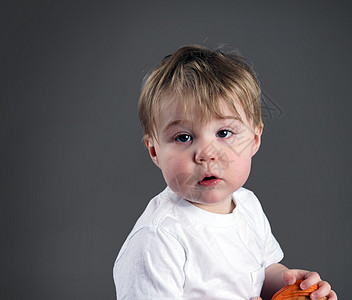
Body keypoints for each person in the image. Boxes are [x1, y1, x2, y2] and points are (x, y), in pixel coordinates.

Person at [113, 45, 337, 300]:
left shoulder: (248, 205)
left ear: (254, 139)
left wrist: (294, 287)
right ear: (154, 151)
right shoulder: (159, 239)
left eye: (223, 133)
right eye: (184, 137)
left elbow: (263, 272)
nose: (206, 154)